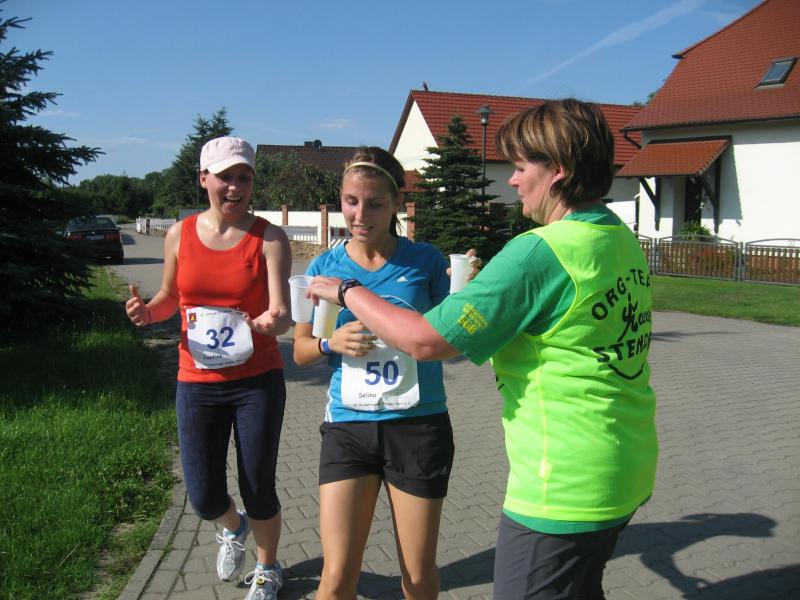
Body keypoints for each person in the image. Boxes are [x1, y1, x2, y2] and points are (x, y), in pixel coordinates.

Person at [308, 99, 659, 599]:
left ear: (558, 171)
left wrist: (346, 291)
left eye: (521, 166)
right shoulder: (617, 237)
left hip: (563, 481)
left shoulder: (539, 251)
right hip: (625, 464)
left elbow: (426, 341)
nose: (512, 180)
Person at [125, 136, 292, 600]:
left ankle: (268, 566)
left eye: (244, 177)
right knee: (201, 495)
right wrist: (148, 313)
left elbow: (281, 310)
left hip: (257, 381)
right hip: (197, 381)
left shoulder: (270, 238)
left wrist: (273, 321)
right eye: (224, 177)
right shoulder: (180, 234)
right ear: (204, 179)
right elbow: (170, 297)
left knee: (257, 485)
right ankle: (233, 527)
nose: (235, 187)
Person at [293, 147, 458, 600]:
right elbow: (302, 351)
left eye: (374, 203)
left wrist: (468, 288)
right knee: (335, 579)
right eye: (351, 201)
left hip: (417, 425)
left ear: (397, 203)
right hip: (349, 427)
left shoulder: (425, 262)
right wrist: (330, 343)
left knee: (418, 576)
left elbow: (451, 341)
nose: (360, 215)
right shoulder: (324, 268)